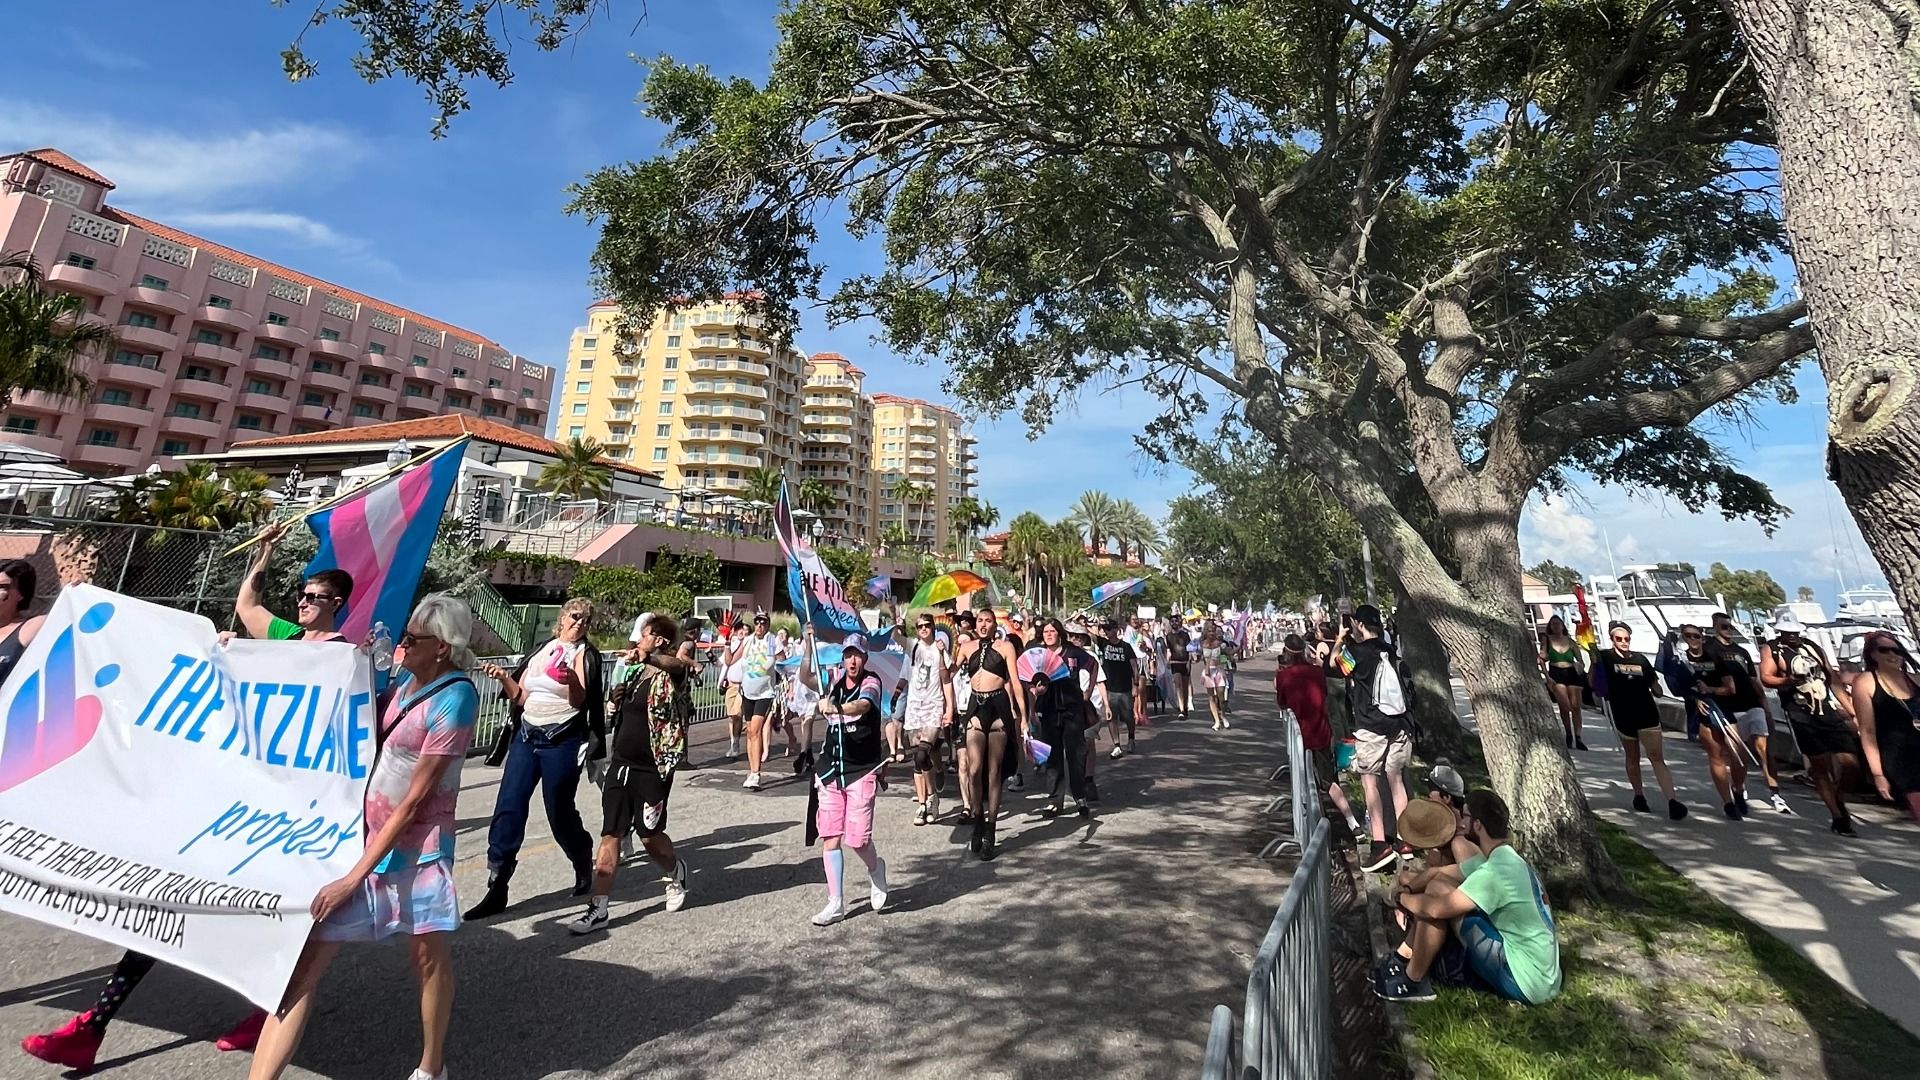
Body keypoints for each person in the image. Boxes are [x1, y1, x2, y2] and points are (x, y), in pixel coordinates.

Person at [19, 534, 350, 1070]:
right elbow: (247, 609)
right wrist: (258, 569)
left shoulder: (343, 656)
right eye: (304, 595)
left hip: (283, 807)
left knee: (269, 918)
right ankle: (93, 1025)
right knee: (164, 902)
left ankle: (262, 1014)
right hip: (231, 789)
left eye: (316, 597)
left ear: (338, 604)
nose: (304, 603)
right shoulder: (288, 635)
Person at [246, 594, 481, 1080]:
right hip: (362, 839)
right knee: (303, 968)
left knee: (426, 958)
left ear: (441, 647)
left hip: (418, 851)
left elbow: (416, 800)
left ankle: (431, 1065)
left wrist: (354, 877)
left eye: (412, 639)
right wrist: (247, 664)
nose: (402, 645)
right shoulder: (402, 684)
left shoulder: (456, 698)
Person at [466, 599, 604, 919]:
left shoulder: (584, 654)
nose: (580, 622)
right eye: (575, 616)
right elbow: (522, 696)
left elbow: (581, 700)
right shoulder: (542, 649)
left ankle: (582, 859)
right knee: (509, 805)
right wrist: (503, 677)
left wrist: (570, 680)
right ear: (562, 618)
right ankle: (497, 883)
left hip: (562, 738)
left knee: (559, 811)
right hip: (527, 735)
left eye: (586, 619)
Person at [569, 613, 695, 933]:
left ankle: (674, 870)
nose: (636, 639)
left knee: (649, 833)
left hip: (653, 766)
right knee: (611, 832)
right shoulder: (633, 671)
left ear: (660, 640)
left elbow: (679, 668)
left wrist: (650, 656)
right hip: (621, 763)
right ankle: (599, 908)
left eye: (643, 634)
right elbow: (620, 710)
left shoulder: (671, 671)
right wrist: (616, 701)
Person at [1377, 790, 1562, 1006]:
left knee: (1436, 904)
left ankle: (1412, 980)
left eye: (1465, 816)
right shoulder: (1505, 860)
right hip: (1545, 978)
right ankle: (1402, 959)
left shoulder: (1496, 872)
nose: (1461, 823)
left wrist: (1400, 898)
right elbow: (1438, 874)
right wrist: (1409, 889)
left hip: (1526, 981)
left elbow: (1436, 909)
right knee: (1437, 887)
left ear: (1478, 825)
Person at [811, 641, 890, 925]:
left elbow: (864, 704)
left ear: (865, 657)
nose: (852, 661)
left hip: (862, 770)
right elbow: (806, 677)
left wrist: (837, 708)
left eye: (857, 655)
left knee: (857, 840)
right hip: (831, 768)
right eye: (848, 655)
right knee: (831, 836)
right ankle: (835, 903)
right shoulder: (834, 680)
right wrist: (809, 645)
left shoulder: (872, 681)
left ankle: (876, 868)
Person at [1760, 612, 1858, 834]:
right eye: (1788, 632)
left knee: (1850, 764)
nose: (1793, 636)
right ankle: (1837, 815)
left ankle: (1838, 797)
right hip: (1800, 712)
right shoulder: (1772, 649)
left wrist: (1851, 711)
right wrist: (1787, 681)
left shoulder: (1811, 647)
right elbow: (1766, 676)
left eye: (1795, 632)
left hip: (1827, 710)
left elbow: (1831, 678)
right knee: (1819, 764)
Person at [1339, 605, 1418, 871]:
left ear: (1359, 625)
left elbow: (1339, 667)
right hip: (1399, 725)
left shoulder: (1356, 653)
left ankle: (1380, 843)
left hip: (1371, 725)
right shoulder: (1391, 651)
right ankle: (1406, 840)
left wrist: (1340, 640)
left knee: (1370, 782)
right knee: (1396, 781)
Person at [1590, 622, 1687, 819]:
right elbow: (1594, 682)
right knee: (1632, 757)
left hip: (1647, 713)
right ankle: (1639, 794)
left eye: (1627, 639)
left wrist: (1662, 685)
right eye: (1619, 639)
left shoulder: (1640, 659)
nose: (1624, 642)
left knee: (1656, 757)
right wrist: (1593, 663)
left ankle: (1672, 801)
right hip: (1623, 714)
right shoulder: (1605, 657)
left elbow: (1655, 686)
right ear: (1612, 640)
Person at [1273, 633, 1362, 834]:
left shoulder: (1284, 676)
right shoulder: (1316, 672)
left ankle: (1312, 827)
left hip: (1301, 736)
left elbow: (1282, 702)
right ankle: (1352, 822)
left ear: (1286, 651)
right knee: (1328, 780)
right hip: (1321, 731)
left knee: (1304, 781)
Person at [956, 607, 1026, 858]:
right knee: (974, 770)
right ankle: (977, 817)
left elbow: (1015, 682)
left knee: (994, 771)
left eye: (988, 620)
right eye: (980, 621)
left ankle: (991, 828)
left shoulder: (1006, 647)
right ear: (975, 624)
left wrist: (1024, 716)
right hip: (975, 707)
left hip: (998, 708)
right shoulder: (966, 648)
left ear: (995, 624)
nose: (984, 624)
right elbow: (948, 676)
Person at [1709, 612, 1790, 813]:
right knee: (1739, 755)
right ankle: (1738, 788)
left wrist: (1764, 704)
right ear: (1715, 627)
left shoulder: (1741, 651)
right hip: (1728, 708)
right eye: (1723, 626)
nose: (1728, 630)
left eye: (1729, 626)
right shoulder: (1709, 649)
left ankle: (1775, 793)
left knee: (1764, 749)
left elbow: (1753, 679)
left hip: (1751, 704)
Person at [1671, 624, 1750, 819]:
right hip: (1702, 715)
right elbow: (1679, 688)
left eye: (1696, 636)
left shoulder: (1715, 658)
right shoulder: (1681, 661)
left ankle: (1738, 788)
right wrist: (1695, 698)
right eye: (1688, 636)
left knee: (1738, 754)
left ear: (1702, 638)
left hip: (1722, 709)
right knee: (1716, 756)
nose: (1692, 639)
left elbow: (1730, 688)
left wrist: (1710, 690)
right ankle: (1728, 802)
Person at [235, 520, 353, 643]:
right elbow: (247, 606)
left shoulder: (341, 650)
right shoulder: (288, 634)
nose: (301, 604)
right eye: (301, 596)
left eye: (311, 597)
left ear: (335, 604)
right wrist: (266, 550)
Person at [1029, 619, 1097, 819]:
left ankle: (1080, 797)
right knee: (1052, 756)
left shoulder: (1073, 652)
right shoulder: (1037, 655)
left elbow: (1093, 666)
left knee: (1076, 754)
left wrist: (1088, 691)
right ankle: (1054, 800)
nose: (1049, 634)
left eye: (1052, 631)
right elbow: (1026, 680)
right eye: (1046, 632)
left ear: (1059, 633)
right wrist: (1035, 692)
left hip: (1072, 710)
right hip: (1049, 711)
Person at [1852, 631, 1920, 822]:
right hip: (1900, 760)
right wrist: (1878, 773)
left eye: (1897, 651)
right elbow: (1867, 731)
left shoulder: (1916, 679)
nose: (1893, 655)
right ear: (1873, 655)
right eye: (1885, 650)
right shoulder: (1866, 682)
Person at [897, 613, 955, 825]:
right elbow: (896, 637)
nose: (923, 629)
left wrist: (949, 709)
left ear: (933, 627)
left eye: (927, 625)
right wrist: (897, 618)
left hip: (933, 706)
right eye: (919, 626)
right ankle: (922, 805)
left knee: (923, 755)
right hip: (914, 708)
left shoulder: (940, 650)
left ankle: (932, 798)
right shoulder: (913, 647)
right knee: (916, 760)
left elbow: (947, 680)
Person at [728, 611, 785, 790]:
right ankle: (752, 771)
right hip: (747, 691)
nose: (760, 626)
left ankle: (756, 773)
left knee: (756, 729)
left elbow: (784, 660)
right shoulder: (748, 641)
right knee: (750, 733)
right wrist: (726, 642)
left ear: (768, 624)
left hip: (764, 692)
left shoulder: (772, 641)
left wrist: (783, 674)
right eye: (757, 623)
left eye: (763, 623)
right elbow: (730, 660)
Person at [1538, 615, 1588, 750]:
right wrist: (1547, 677)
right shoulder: (1547, 640)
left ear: (1562, 626)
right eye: (1553, 624)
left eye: (1557, 623)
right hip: (1556, 672)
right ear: (1550, 627)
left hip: (1571, 672)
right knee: (1565, 706)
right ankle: (1568, 734)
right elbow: (1542, 658)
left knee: (1576, 706)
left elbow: (1580, 660)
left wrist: (1580, 665)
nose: (1555, 626)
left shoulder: (1570, 641)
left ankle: (1578, 737)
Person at [1100, 618, 1139, 758]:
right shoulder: (1103, 643)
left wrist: (1136, 684)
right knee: (1111, 717)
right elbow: (1087, 631)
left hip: (1125, 688)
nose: (1106, 632)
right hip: (1109, 688)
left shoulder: (1126, 647)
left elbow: (1134, 666)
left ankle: (1131, 738)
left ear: (1116, 630)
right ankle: (1116, 745)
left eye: (1109, 629)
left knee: (1128, 717)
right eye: (1104, 629)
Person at [1199, 624, 1231, 730]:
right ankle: (1217, 721)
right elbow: (1200, 657)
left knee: (1221, 696)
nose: (1212, 633)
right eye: (1209, 631)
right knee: (1211, 696)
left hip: (1218, 670)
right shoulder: (1202, 644)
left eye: (1213, 631)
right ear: (1206, 632)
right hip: (1208, 672)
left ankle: (1223, 716)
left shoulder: (1220, 644)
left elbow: (1229, 653)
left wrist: (1238, 647)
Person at [1165, 615, 1193, 717]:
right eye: (1172, 621)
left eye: (1175, 621)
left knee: (1185, 686)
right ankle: (1181, 708)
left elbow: (1189, 650)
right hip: (1174, 662)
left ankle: (1185, 706)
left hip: (1185, 662)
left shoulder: (1185, 635)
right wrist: (1167, 661)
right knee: (1178, 686)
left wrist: (1189, 662)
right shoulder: (1168, 636)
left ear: (1179, 622)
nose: (1174, 623)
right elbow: (1169, 650)